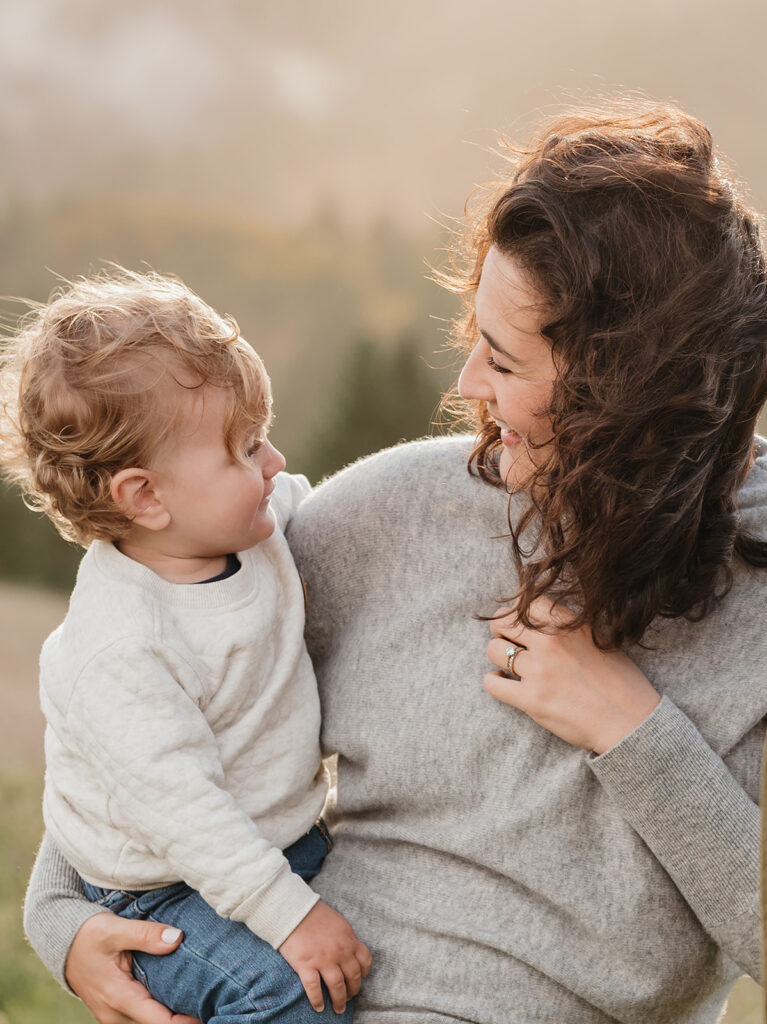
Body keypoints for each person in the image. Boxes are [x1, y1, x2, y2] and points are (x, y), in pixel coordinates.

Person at [23, 99, 767, 1024]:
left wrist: (635, 731)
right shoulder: (385, 516)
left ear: (625, 391)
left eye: (502, 359)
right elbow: (134, 713)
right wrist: (63, 925)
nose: (465, 388)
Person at [0, 270, 371, 1023]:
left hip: (271, 844)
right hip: (166, 885)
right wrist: (291, 916)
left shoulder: (251, 528)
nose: (275, 464)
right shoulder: (122, 646)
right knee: (285, 996)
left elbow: (350, 514)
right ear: (145, 497)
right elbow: (186, 814)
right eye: (244, 449)